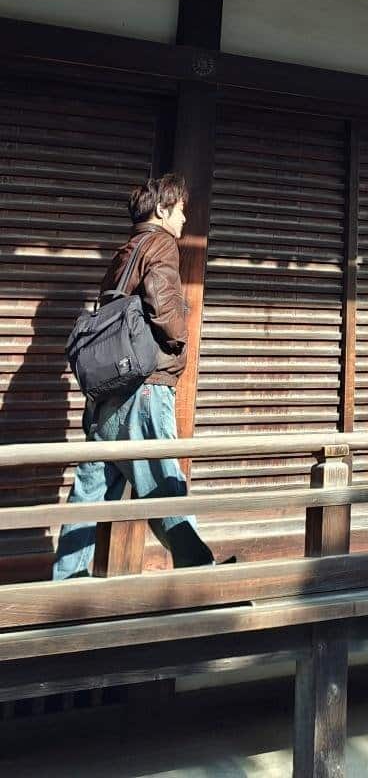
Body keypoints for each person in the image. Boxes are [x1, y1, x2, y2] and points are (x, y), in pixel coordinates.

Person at [53, 171, 219, 579]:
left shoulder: (124, 253)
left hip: (107, 393)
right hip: (144, 390)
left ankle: (65, 587)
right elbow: (164, 305)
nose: (184, 220)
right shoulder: (162, 244)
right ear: (163, 209)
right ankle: (200, 575)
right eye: (181, 211)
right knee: (164, 481)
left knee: (90, 494)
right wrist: (180, 332)